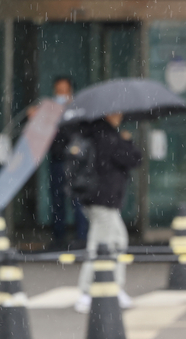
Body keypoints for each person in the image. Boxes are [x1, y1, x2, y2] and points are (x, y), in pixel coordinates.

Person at [74, 113, 142, 313]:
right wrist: (128, 141)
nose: (120, 116)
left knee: (116, 240)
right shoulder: (108, 137)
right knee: (102, 244)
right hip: (104, 199)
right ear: (106, 115)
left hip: (97, 198)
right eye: (116, 113)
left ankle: (113, 288)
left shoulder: (94, 134)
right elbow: (134, 159)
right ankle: (87, 292)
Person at [46, 77, 88, 250]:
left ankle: (82, 238)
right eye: (58, 91)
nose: (61, 94)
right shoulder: (50, 111)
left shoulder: (77, 112)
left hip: (74, 163)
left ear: (71, 92)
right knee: (57, 201)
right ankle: (59, 238)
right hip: (56, 162)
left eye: (64, 91)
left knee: (77, 201)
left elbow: (79, 135)